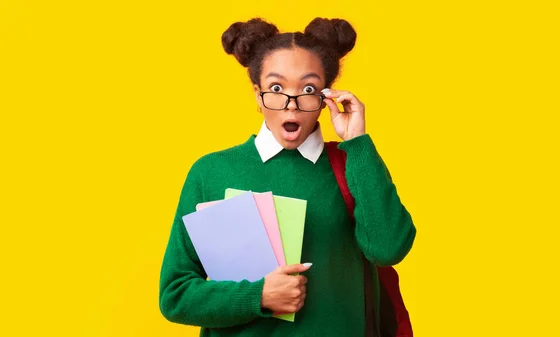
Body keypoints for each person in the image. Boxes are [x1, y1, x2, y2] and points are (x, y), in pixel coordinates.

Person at [159, 17, 416, 337]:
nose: (291, 106)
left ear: (326, 97)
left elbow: (389, 249)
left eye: (308, 89)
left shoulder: (354, 164)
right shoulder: (212, 172)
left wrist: (358, 144)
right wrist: (258, 296)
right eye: (277, 88)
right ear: (257, 94)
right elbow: (175, 296)